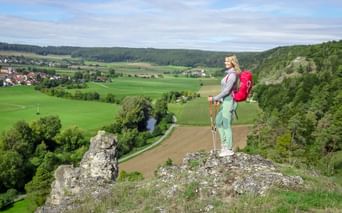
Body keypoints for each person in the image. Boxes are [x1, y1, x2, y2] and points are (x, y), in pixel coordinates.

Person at [208, 55, 240, 157]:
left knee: (226, 124)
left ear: (233, 63)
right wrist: (220, 100)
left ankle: (229, 148)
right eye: (225, 61)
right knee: (218, 121)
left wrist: (214, 98)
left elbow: (227, 91)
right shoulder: (229, 74)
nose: (225, 63)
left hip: (229, 102)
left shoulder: (232, 75)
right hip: (225, 101)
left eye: (227, 61)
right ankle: (224, 144)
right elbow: (225, 91)